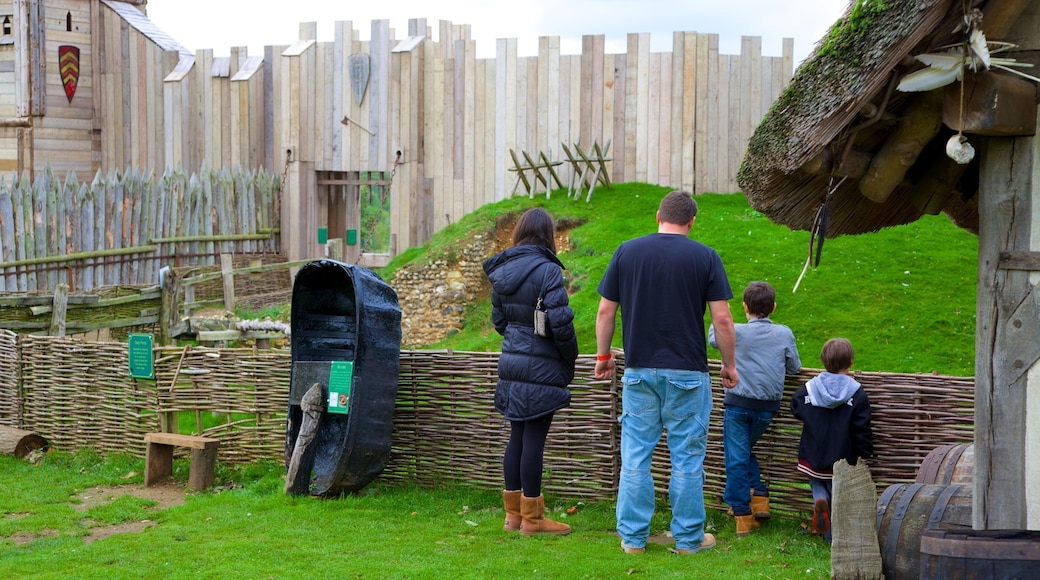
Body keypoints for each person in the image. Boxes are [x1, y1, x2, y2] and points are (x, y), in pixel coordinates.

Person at [594, 190, 738, 555]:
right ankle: (689, 540)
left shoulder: (628, 251)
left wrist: (603, 355)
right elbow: (722, 318)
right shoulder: (705, 256)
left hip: (640, 371)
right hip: (688, 373)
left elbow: (605, 312)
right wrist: (729, 365)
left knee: (636, 455)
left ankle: (633, 539)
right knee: (687, 458)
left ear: (657, 216)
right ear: (692, 222)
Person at [482, 207, 578, 536]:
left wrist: (518, 338)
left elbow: (499, 322)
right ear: (547, 235)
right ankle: (533, 520)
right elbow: (561, 324)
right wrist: (569, 359)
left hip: (512, 361)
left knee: (518, 437)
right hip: (541, 365)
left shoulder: (503, 269)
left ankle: (513, 517)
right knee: (533, 440)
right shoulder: (548, 270)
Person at [708, 281, 801, 536]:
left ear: (745, 307)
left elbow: (713, 336)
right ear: (773, 307)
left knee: (736, 458)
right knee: (743, 450)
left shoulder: (735, 332)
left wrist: (721, 314)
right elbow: (794, 367)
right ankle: (759, 495)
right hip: (767, 409)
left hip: (738, 404)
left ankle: (742, 513)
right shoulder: (784, 333)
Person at [790, 338, 873, 542]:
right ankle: (832, 538)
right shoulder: (857, 394)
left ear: (823, 361)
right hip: (842, 456)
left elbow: (796, 406)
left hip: (813, 453)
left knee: (818, 484)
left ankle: (820, 500)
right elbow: (862, 427)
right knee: (838, 494)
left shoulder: (809, 390)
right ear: (851, 362)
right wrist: (865, 451)